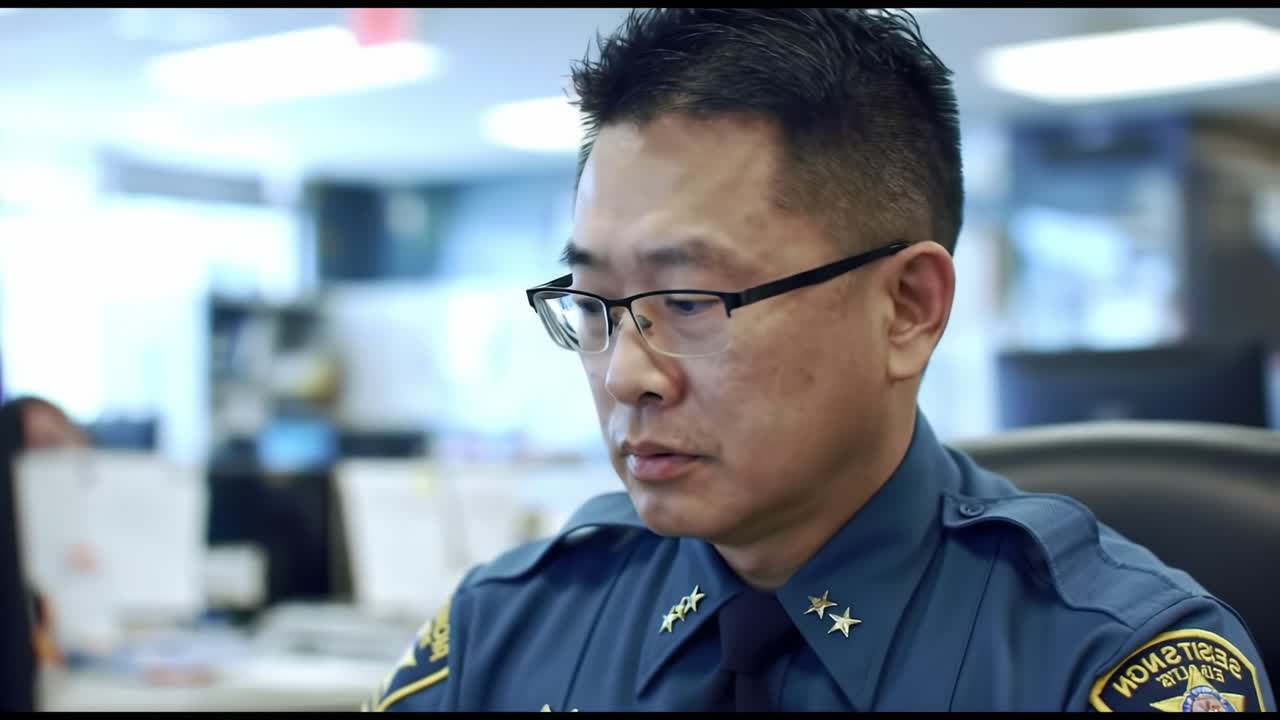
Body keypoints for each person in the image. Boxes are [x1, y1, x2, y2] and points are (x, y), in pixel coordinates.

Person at [368, 8, 1274, 712]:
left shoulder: (1105, 664)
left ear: (907, 310)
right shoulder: (512, 626)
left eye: (688, 302)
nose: (626, 376)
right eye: (597, 305)